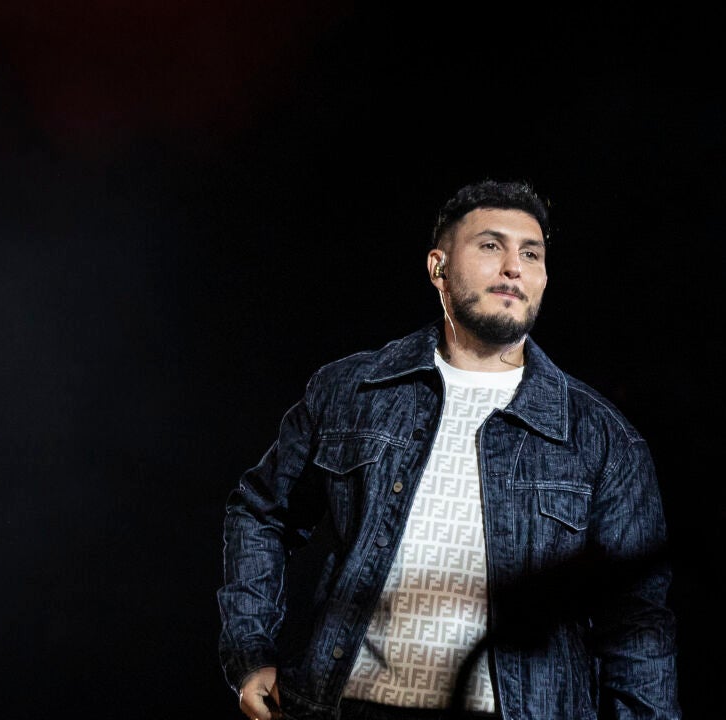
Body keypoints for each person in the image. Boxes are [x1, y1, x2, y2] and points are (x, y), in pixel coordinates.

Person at [218, 179, 682, 720]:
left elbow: (637, 621)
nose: (513, 267)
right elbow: (260, 512)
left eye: (530, 254)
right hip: (348, 706)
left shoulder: (601, 436)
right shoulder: (352, 391)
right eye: (490, 245)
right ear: (438, 267)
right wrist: (250, 653)